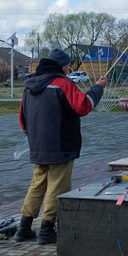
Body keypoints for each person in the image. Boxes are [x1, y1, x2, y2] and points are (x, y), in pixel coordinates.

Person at [15, 49, 106, 244]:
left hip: (38, 146)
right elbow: (83, 105)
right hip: (61, 145)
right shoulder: (63, 84)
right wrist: (97, 88)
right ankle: (47, 231)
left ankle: (24, 227)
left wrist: (33, 138)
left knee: (37, 185)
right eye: (67, 65)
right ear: (60, 66)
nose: (69, 68)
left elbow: (22, 118)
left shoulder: (29, 86)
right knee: (57, 186)